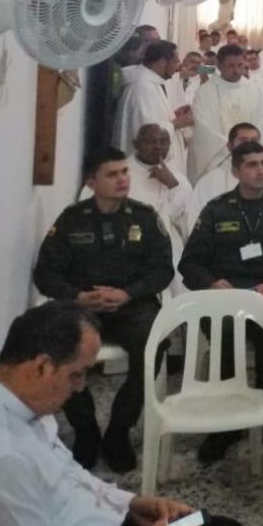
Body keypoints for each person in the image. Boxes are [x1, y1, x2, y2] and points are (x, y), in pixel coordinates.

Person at [0, 303, 249, 526]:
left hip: (103, 520)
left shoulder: (19, 406)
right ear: (42, 367)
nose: (82, 387)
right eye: (77, 374)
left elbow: (68, 475)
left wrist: (133, 504)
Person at [34, 148, 174, 472]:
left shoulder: (144, 217)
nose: (123, 179)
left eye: (124, 172)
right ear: (92, 181)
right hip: (85, 307)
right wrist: (78, 296)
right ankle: (86, 432)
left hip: (131, 307)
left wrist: (127, 293)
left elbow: (162, 270)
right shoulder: (72, 220)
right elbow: (45, 273)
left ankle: (119, 430)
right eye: (112, 174)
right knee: (62, 344)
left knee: (154, 345)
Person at [179, 141, 263, 463]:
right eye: (252, 164)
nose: (261, 170)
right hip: (227, 297)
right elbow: (190, 263)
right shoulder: (217, 209)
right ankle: (225, 427)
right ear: (236, 171)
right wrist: (212, 283)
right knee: (225, 339)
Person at [80, 126, 192, 296]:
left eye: (163, 142)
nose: (158, 147)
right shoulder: (116, 174)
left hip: (165, 251)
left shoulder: (178, 180)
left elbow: (187, 222)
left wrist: (173, 185)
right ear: (136, 143)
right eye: (151, 141)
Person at [189, 45, 263, 183]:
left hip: (250, 160)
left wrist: (248, 149)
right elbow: (202, 127)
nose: (237, 70)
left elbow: (262, 122)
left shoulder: (255, 90)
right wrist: (230, 149)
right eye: (231, 66)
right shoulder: (205, 92)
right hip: (217, 163)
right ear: (219, 66)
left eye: (240, 65)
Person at [188, 123, 263, 226]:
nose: (249, 145)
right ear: (230, 146)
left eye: (254, 141)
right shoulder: (208, 182)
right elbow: (195, 222)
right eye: (243, 141)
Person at [115, 40, 193, 174]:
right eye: (175, 62)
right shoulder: (142, 88)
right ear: (162, 62)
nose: (178, 66)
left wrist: (172, 115)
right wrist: (177, 124)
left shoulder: (152, 83)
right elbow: (145, 133)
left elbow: (153, 117)